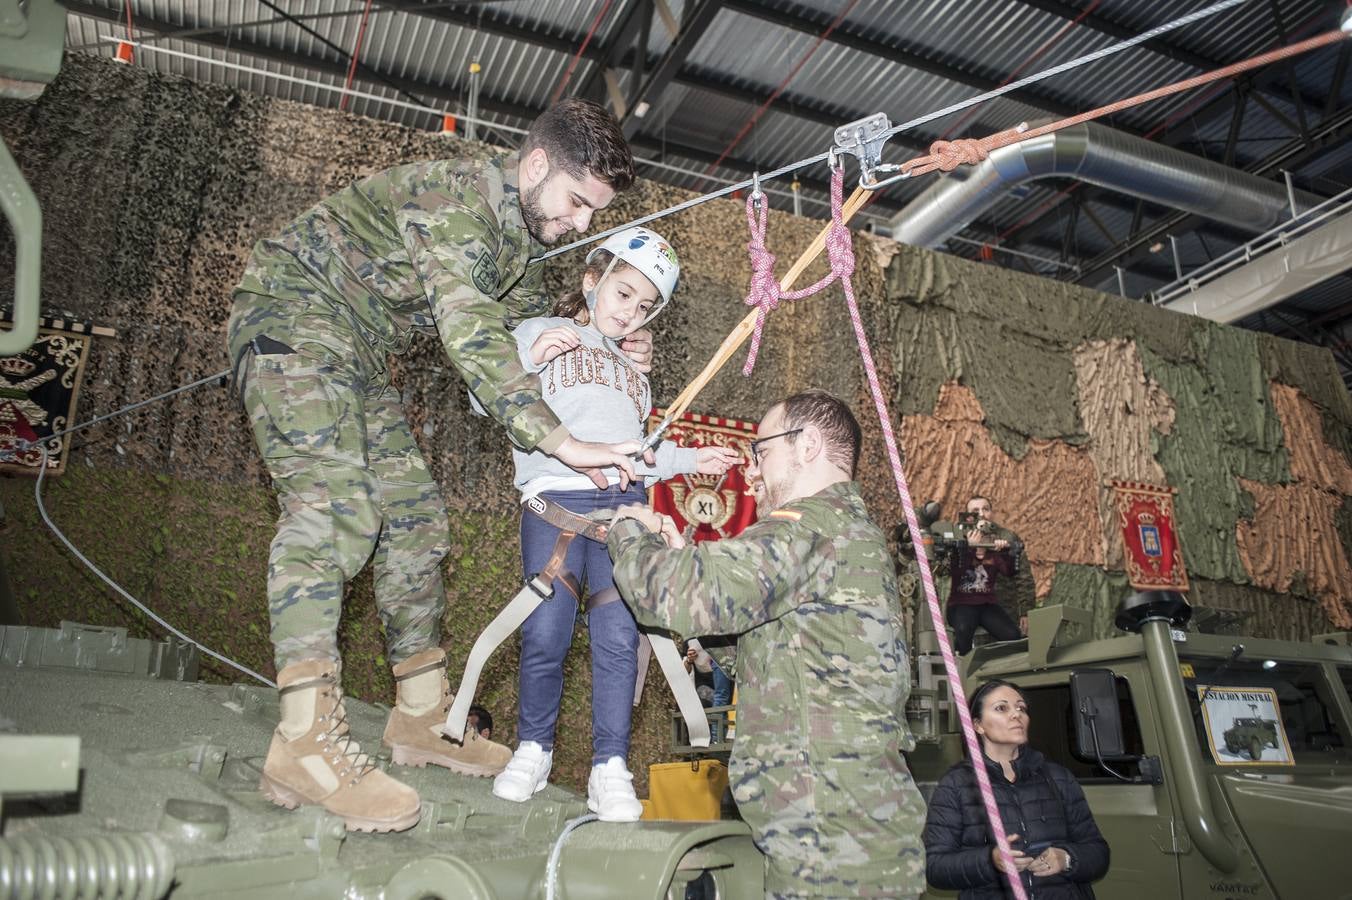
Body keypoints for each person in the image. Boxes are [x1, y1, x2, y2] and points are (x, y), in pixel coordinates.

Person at [226, 99, 654, 833]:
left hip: (355, 355)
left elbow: (523, 333)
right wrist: (559, 441)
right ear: (537, 165)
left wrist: (608, 350)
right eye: (578, 202)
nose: (583, 225)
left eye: (595, 212)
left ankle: (420, 720)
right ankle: (302, 740)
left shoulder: (523, 236)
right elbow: (467, 326)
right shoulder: (455, 202)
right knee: (333, 510)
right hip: (290, 317)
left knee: (417, 525)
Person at [607, 389, 927, 899]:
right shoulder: (844, 533)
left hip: (830, 840)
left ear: (808, 445)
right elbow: (768, 655)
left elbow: (676, 595)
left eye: (762, 451)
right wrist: (685, 553)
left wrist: (628, 531)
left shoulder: (814, 527)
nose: (752, 470)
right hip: (840, 825)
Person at [491, 227, 738, 821]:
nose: (631, 313)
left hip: (623, 511)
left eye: (645, 306)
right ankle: (533, 748)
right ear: (591, 280)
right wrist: (529, 356)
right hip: (556, 498)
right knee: (546, 631)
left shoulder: (635, 372)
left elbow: (641, 451)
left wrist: (690, 459)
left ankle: (610, 766)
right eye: (624, 294)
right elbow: (486, 396)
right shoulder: (540, 333)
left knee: (619, 640)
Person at [922, 680, 1110, 899]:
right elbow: (935, 868)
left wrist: (1067, 858)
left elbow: (1098, 853)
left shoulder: (1058, 778)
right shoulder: (956, 785)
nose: (1016, 715)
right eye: (1002, 708)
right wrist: (991, 861)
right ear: (978, 725)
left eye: (1021, 708)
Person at [946, 496, 1023, 655]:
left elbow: (1009, 572)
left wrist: (1005, 552)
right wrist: (970, 549)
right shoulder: (957, 541)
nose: (981, 514)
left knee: (1013, 635)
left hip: (986, 604)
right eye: (975, 511)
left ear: (991, 514)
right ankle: (962, 673)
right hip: (961, 603)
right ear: (967, 517)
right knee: (962, 630)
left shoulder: (995, 541)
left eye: (985, 509)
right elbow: (954, 573)